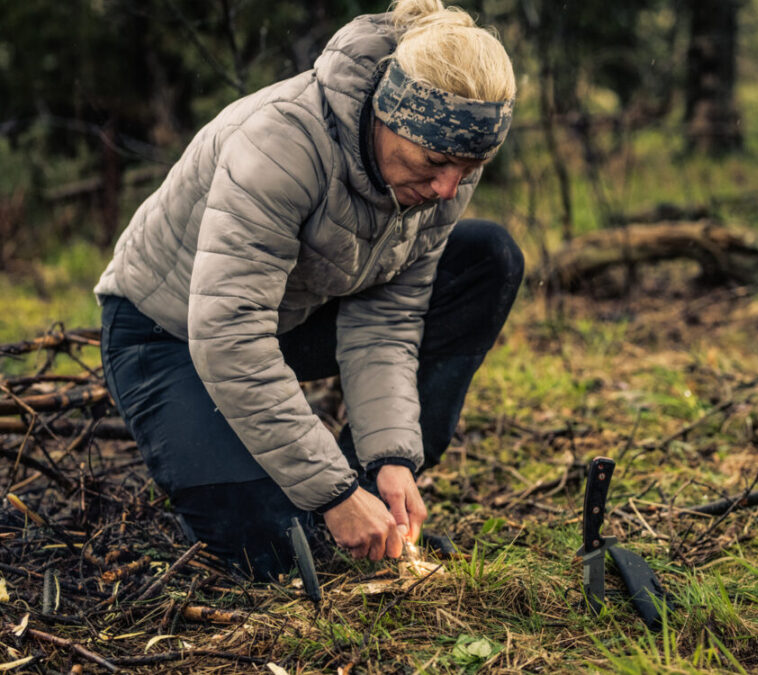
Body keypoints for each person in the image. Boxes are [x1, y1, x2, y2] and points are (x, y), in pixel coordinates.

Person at [94, 0, 522, 579]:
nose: (449, 188)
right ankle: (326, 497)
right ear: (388, 116)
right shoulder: (281, 145)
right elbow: (228, 334)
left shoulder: (442, 174)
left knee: (488, 258)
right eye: (436, 162)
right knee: (272, 553)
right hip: (166, 334)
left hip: (290, 318)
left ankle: (372, 492)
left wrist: (390, 457)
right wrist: (333, 493)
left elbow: (387, 320)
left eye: (469, 168)